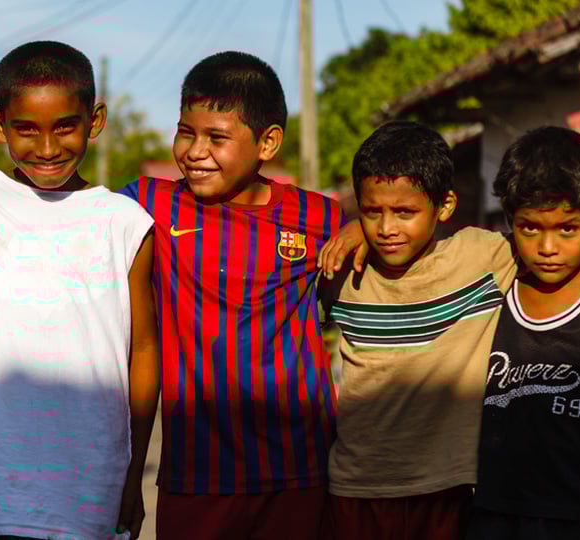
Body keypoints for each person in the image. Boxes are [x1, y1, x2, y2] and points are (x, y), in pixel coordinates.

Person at [323, 121, 580, 540]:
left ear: (444, 206)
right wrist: (359, 223)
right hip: (361, 487)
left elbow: (565, 224)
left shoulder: (484, 258)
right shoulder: (341, 273)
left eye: (405, 212)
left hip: (456, 492)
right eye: (374, 212)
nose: (388, 227)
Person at [119, 51, 353, 540]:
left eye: (217, 137)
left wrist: (363, 235)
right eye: (186, 131)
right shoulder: (147, 203)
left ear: (268, 142)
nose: (195, 151)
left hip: (299, 469)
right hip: (196, 472)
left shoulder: (320, 218)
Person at [0, 40, 157, 540]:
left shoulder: (125, 222)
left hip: (93, 478)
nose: (47, 148)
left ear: (96, 120)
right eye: (26, 129)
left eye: (65, 126)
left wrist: (133, 473)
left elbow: (143, 350)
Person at [466, 126, 580, 540]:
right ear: (510, 223)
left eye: (567, 229)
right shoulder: (493, 290)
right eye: (530, 228)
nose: (548, 247)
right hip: (491, 512)